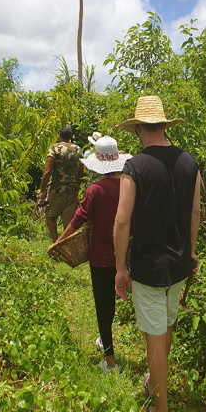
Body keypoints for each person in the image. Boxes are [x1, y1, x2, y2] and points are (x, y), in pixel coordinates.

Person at [112, 96, 201, 412]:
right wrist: (190, 252)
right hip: (178, 263)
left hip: (148, 267)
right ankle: (156, 381)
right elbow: (194, 214)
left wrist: (121, 267)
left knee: (155, 336)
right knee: (165, 328)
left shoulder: (134, 167)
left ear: (137, 129)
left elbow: (122, 221)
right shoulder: (189, 162)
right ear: (165, 125)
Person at [49, 132, 132, 373]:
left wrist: (58, 243)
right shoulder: (129, 187)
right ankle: (105, 342)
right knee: (111, 301)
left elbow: (79, 219)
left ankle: (110, 361)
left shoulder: (96, 189)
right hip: (122, 257)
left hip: (99, 256)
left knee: (101, 305)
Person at [37, 125, 84, 242]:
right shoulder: (78, 149)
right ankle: (64, 247)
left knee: (50, 216)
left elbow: (47, 171)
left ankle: (55, 243)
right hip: (72, 191)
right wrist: (78, 188)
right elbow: (81, 173)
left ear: (59, 134)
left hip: (56, 190)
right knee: (68, 223)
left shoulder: (55, 148)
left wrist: (42, 191)